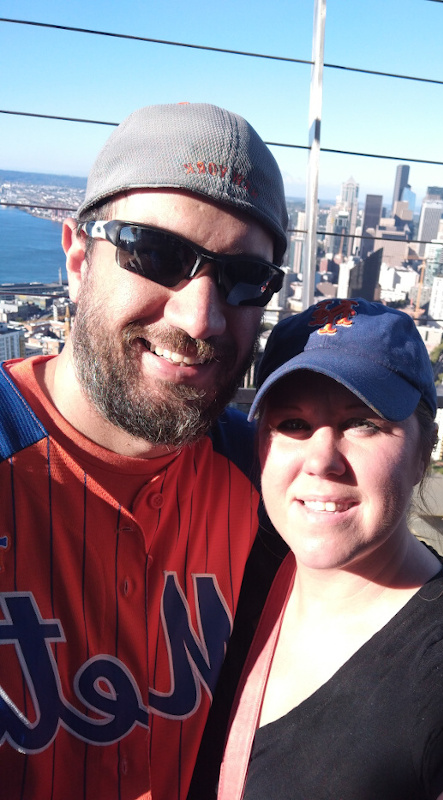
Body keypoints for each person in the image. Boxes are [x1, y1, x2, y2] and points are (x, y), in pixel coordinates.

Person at [0, 102, 288, 800]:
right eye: (155, 254)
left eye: (243, 278)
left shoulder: (276, 491)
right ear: (76, 257)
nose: (200, 317)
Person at [216, 298, 443, 800]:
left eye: (363, 423)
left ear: (424, 451)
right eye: (292, 424)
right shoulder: (235, 569)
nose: (322, 459)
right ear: (259, 442)